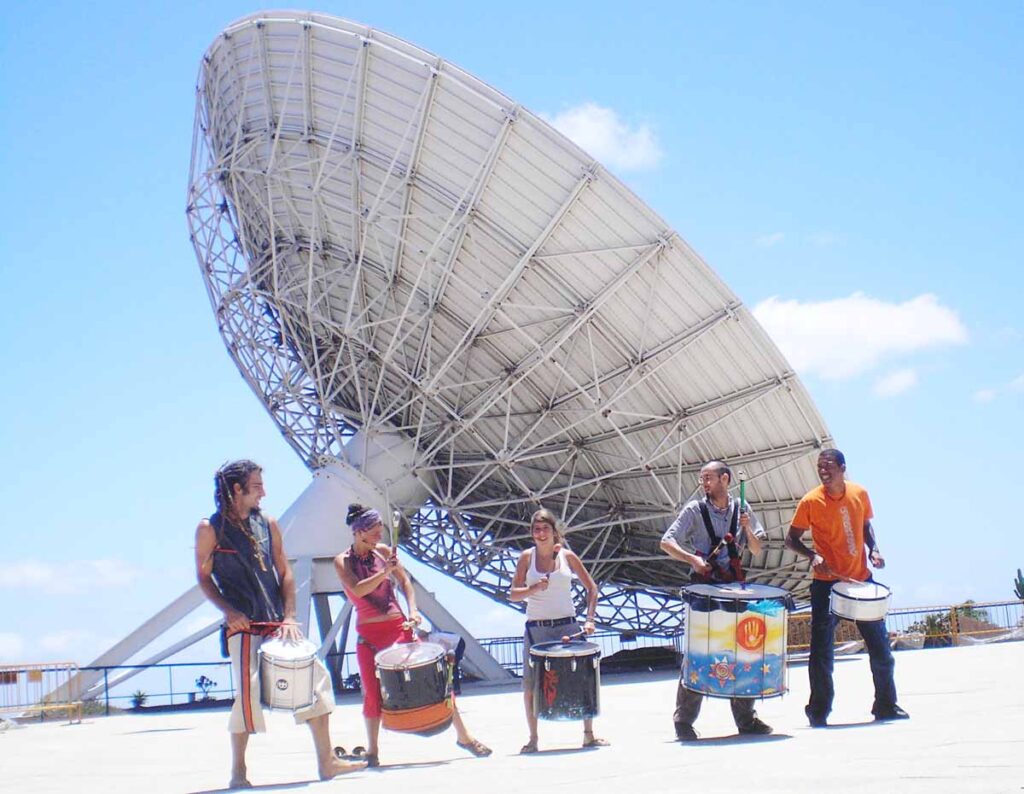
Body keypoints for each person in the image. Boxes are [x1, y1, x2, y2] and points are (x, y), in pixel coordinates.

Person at [194, 460, 365, 789]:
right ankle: (239, 773)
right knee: (248, 696)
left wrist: (289, 616)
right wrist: (229, 612)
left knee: (317, 682)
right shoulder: (210, 529)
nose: (264, 493)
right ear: (236, 490)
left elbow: (285, 573)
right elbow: (203, 578)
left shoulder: (268, 524)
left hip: (276, 622)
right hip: (242, 628)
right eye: (256, 487)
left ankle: (327, 761)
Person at [334, 504, 491, 767]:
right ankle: (373, 752)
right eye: (374, 530)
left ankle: (464, 737)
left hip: (399, 630)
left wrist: (414, 610)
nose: (380, 534)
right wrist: (385, 572)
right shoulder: (342, 561)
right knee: (372, 694)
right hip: (369, 638)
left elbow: (406, 583)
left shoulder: (383, 553)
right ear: (359, 532)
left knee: (436, 680)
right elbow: (358, 590)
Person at [785, 448, 910, 727]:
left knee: (880, 648)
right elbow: (791, 539)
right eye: (820, 467)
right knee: (821, 652)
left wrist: (874, 550)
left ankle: (886, 705)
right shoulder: (810, 501)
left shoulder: (859, 493)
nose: (823, 471)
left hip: (861, 579)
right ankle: (818, 711)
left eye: (828, 465)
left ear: (842, 467)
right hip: (827, 586)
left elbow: (865, 526)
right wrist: (812, 556)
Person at [659, 460, 771, 741]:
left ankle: (746, 718)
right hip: (704, 588)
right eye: (702, 478)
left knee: (743, 651)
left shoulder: (742, 509)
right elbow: (667, 541)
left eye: (709, 477)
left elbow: (757, 549)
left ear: (725, 479)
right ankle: (683, 720)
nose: (704, 483)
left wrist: (747, 529)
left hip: (734, 588)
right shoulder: (695, 510)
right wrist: (693, 559)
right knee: (699, 652)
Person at [509, 508, 609, 754]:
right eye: (536, 529)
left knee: (582, 679)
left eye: (545, 529)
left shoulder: (568, 557)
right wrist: (533, 589)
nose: (541, 534)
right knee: (531, 686)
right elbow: (512, 594)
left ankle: (588, 734)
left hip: (567, 626)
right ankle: (533, 738)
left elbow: (592, 588)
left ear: (555, 532)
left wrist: (589, 619)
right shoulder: (526, 557)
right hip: (537, 629)